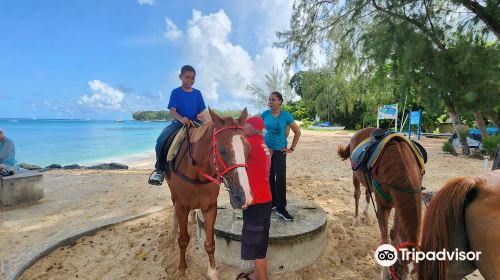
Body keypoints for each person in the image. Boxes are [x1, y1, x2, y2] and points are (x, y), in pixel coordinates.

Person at [148, 65, 206, 185]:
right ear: (180, 77)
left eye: (192, 78)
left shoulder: (198, 93)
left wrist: (201, 115)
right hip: (179, 123)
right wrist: (181, 119)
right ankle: (160, 170)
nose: (190, 80)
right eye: (187, 77)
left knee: (210, 139)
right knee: (161, 140)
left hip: (195, 123)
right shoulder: (176, 92)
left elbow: (202, 111)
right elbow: (172, 111)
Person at [237, 116, 272, 280]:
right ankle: (257, 273)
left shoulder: (249, 144)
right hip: (265, 199)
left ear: (251, 128)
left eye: (244, 125)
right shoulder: (263, 144)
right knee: (261, 240)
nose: (242, 128)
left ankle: (262, 277)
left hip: (255, 201)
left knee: (256, 244)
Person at [261, 91, 301, 221]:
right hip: (267, 151)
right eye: (269, 99)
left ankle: (281, 208)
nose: (270, 102)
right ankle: (273, 203)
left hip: (280, 151)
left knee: (280, 179)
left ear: (280, 101)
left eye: (273, 99)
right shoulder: (265, 114)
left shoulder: (285, 115)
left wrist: (291, 149)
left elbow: (297, 132)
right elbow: (256, 128)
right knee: (269, 177)